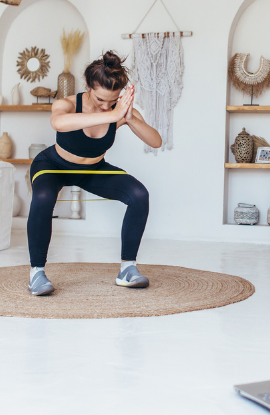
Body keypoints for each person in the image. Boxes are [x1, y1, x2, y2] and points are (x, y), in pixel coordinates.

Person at [27, 51, 162, 296]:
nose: (106, 105)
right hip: (53, 165)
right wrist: (112, 115)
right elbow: (58, 123)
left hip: (93, 169)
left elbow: (156, 141)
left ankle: (127, 269)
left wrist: (131, 119)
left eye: (112, 101)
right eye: (100, 99)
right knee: (44, 199)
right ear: (88, 86)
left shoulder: (120, 111)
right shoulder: (67, 104)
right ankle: (36, 273)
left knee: (139, 195)